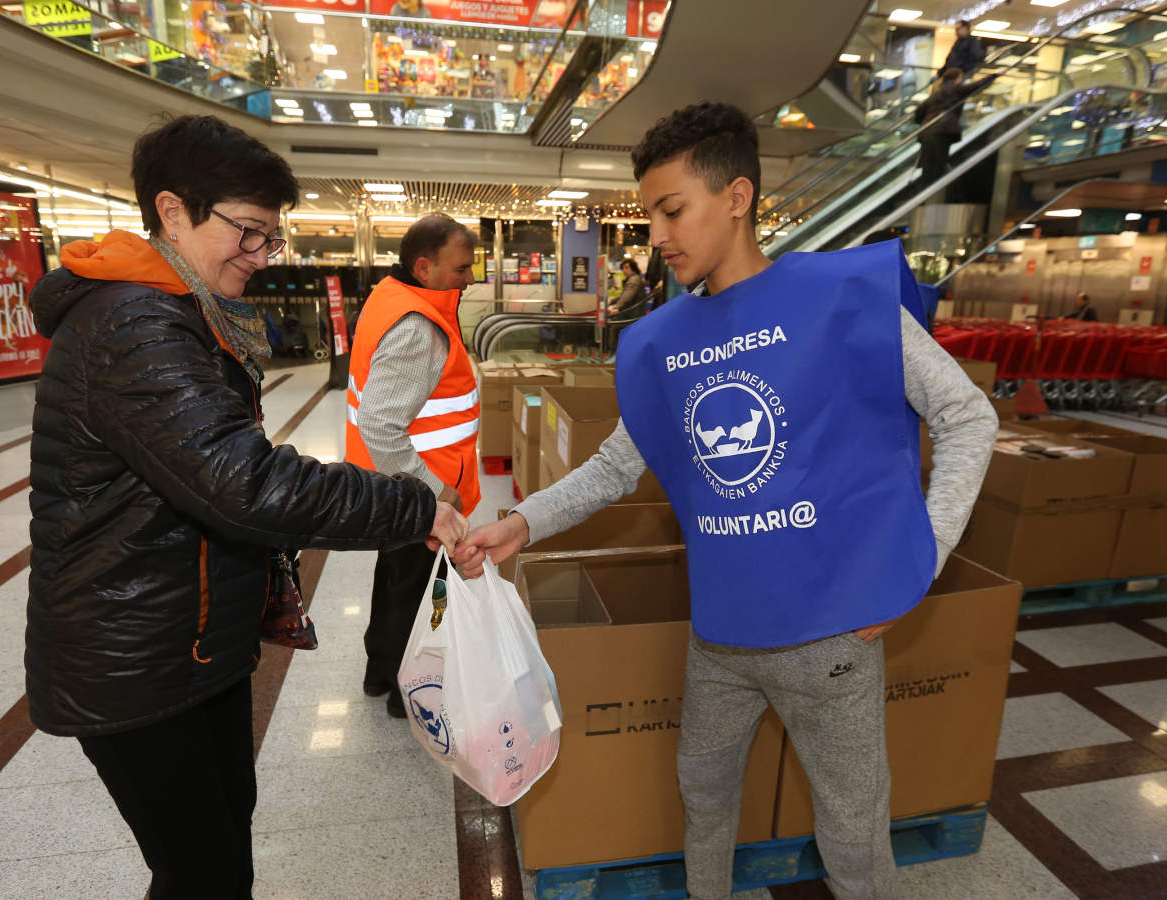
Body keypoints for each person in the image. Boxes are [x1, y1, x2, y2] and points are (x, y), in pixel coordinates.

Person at [453, 101, 998, 899]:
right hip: (721, 638)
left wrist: (921, 560)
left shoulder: (842, 298)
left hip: (833, 638)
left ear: (736, 197)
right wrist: (519, 525)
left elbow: (965, 416)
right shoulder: (664, 341)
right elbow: (613, 468)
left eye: (673, 210)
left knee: (851, 834)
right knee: (703, 800)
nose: (659, 237)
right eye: (649, 216)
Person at [25, 114, 467, 900]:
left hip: (188, 639)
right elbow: (247, 484)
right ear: (170, 211)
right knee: (204, 871)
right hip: (134, 660)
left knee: (219, 850)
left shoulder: (185, 313)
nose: (262, 256)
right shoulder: (134, 326)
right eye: (248, 232)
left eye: (272, 237)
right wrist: (415, 506)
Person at [344, 213, 480, 718]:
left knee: (395, 580)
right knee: (420, 593)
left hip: (385, 484)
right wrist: (436, 491)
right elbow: (380, 423)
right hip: (415, 487)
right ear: (424, 267)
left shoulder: (392, 297)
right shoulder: (420, 325)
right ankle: (409, 696)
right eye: (461, 269)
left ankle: (379, 672)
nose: (470, 279)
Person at [913, 67, 997, 186]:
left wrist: (923, 123)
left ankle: (922, 196)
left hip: (927, 132)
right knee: (939, 166)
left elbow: (918, 111)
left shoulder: (937, 92)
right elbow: (975, 86)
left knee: (927, 166)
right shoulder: (956, 89)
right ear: (958, 78)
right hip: (943, 131)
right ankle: (933, 194)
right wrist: (993, 76)